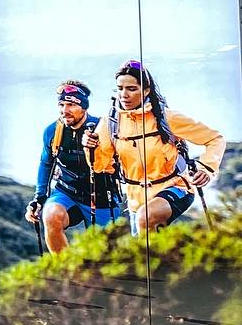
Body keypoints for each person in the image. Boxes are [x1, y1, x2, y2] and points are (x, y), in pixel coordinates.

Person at [87, 61, 226, 232]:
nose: (124, 95)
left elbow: (215, 139)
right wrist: (90, 147)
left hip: (176, 187)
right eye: (120, 88)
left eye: (132, 89)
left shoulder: (166, 117)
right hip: (135, 200)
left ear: (146, 90)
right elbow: (99, 166)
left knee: (146, 217)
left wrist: (207, 168)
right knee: (145, 242)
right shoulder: (110, 123)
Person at [25, 80, 123, 252]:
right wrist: (39, 198)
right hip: (66, 193)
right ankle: (65, 267)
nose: (64, 110)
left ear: (84, 107)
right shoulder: (53, 132)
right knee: (51, 215)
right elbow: (46, 164)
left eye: (71, 105)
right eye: (61, 104)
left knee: (105, 255)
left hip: (101, 198)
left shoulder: (103, 129)